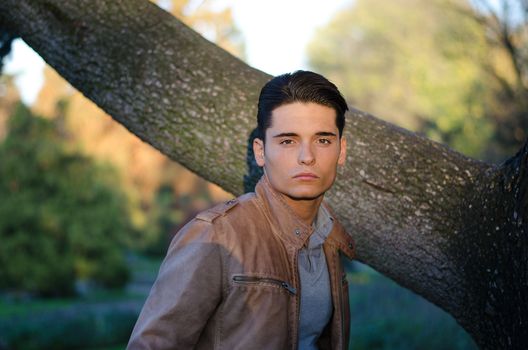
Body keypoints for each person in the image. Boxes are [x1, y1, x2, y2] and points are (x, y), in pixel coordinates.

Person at [127, 70, 355, 350]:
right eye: (287, 141)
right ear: (260, 152)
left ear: (341, 151)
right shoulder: (215, 236)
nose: (306, 156)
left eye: (323, 140)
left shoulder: (330, 239)